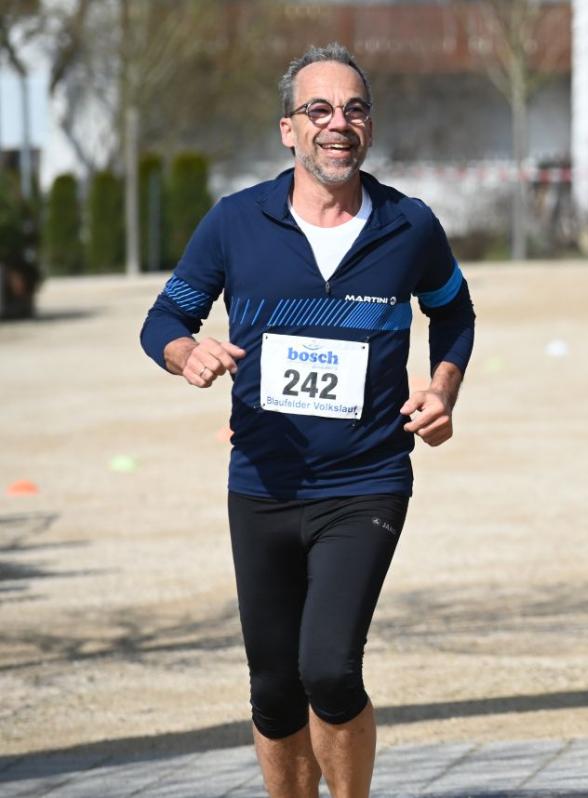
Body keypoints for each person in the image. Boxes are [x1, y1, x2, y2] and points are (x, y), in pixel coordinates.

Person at [139, 43, 474, 797]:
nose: (337, 123)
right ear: (288, 129)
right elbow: (164, 319)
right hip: (262, 483)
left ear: (370, 126)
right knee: (273, 689)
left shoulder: (410, 225)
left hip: (366, 480)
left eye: (354, 109)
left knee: (328, 669)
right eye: (318, 109)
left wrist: (444, 387)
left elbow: (454, 311)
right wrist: (186, 353)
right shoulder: (235, 221)